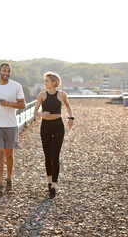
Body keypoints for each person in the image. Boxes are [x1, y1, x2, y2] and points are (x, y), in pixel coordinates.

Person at [0, 63, 26, 195]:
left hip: (11, 125)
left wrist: (8, 103)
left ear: (10, 72)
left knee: (9, 155)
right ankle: (0, 184)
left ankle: (9, 179)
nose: (6, 73)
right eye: (4, 71)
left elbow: (23, 104)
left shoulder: (16, 86)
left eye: (8, 71)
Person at [34, 71, 74, 199]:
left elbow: (68, 107)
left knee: (55, 156)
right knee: (47, 156)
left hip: (58, 126)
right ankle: (49, 181)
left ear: (54, 82)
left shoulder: (62, 94)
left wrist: (71, 118)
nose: (45, 83)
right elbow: (35, 112)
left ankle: (54, 186)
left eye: (47, 81)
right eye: (44, 81)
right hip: (45, 126)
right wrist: (41, 114)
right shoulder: (41, 95)